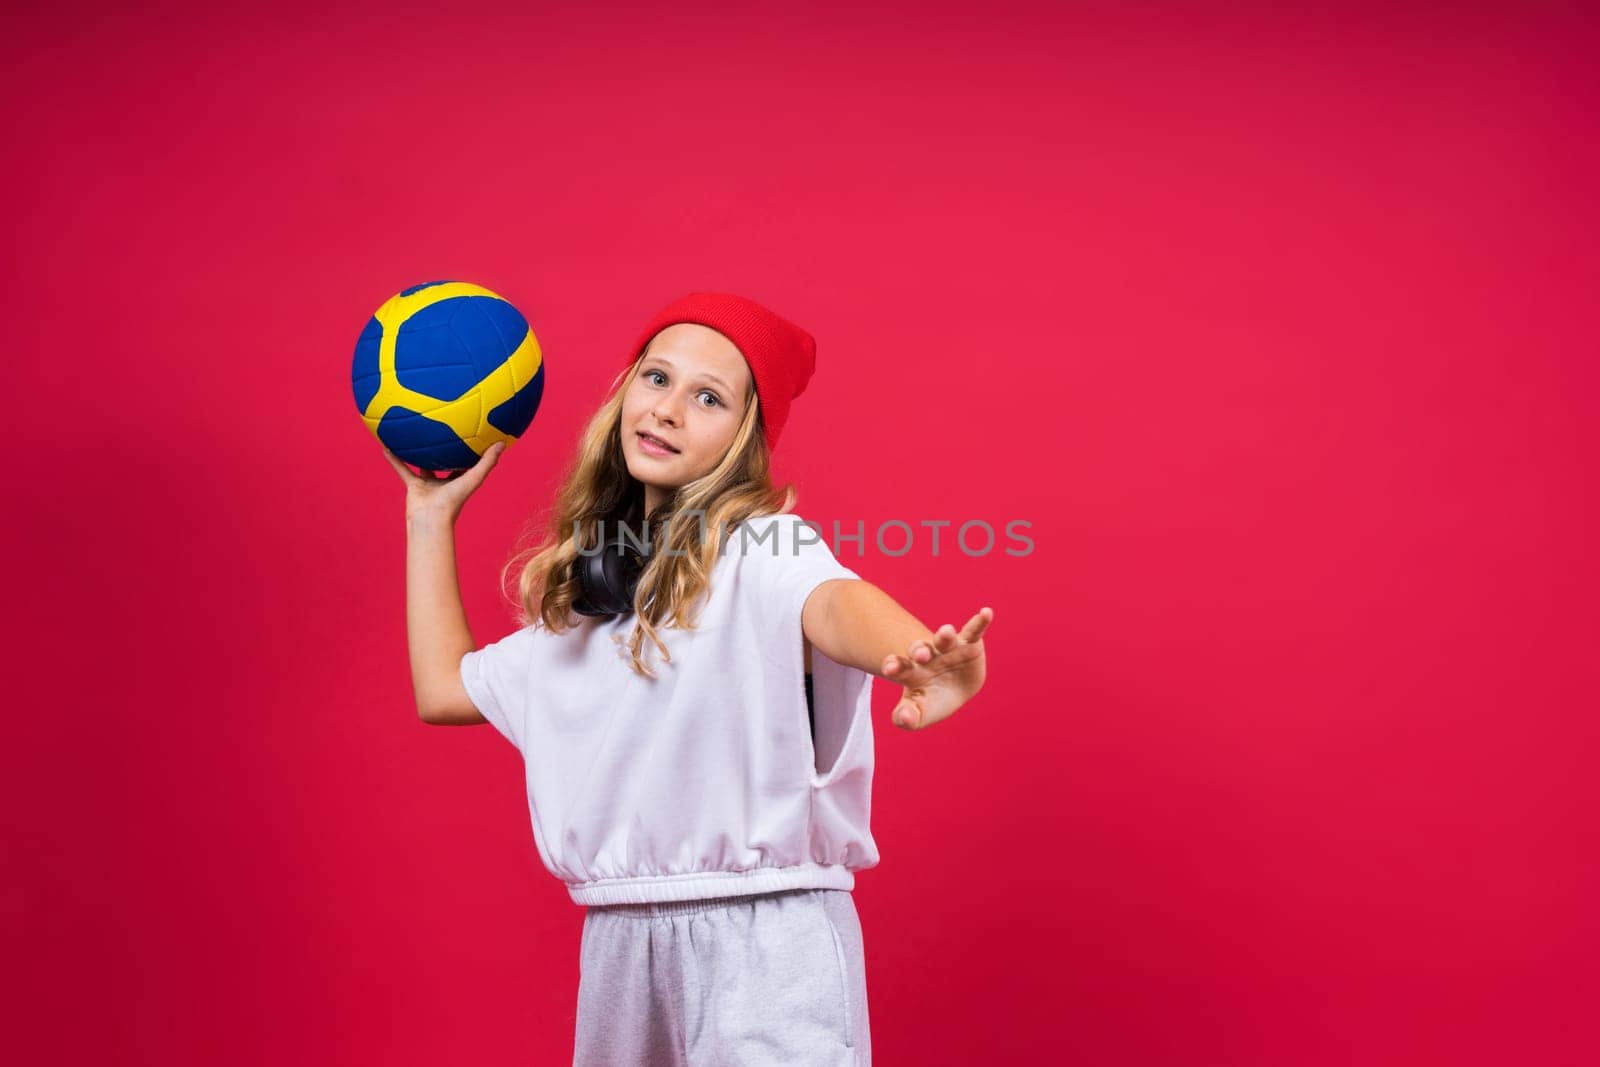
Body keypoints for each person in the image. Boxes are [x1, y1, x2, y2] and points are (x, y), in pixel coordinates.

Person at [382, 291, 994, 1065]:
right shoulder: (590, 606)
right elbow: (443, 688)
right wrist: (428, 516)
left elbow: (834, 602)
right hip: (619, 948)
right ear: (625, 393)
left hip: (767, 944)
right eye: (656, 377)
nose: (668, 409)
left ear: (744, 439)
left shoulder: (763, 552)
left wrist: (912, 651)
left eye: (708, 397)